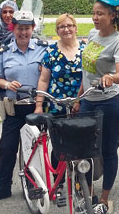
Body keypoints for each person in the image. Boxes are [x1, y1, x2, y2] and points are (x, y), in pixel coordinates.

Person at [76, 0, 119, 214]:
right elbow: (86, 72)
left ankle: (105, 197)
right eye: (94, 12)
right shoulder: (91, 35)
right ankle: (88, 193)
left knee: (107, 149)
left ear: (112, 16)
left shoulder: (118, 41)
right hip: (88, 100)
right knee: (85, 148)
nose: (95, 17)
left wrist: (111, 77)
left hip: (110, 102)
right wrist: (79, 97)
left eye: (100, 14)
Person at [0, 10, 48, 203]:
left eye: (27, 28)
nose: (23, 33)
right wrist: (6, 84)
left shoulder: (42, 48)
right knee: (7, 148)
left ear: (33, 29)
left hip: (36, 106)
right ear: (13, 29)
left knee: (35, 149)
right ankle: (3, 187)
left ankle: (33, 185)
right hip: (13, 107)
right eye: (19, 28)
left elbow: (50, 74)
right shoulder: (4, 52)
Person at [34, 13, 85, 194]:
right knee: (59, 146)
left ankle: (81, 184)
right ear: (57, 31)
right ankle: (58, 183)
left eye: (69, 25)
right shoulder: (51, 52)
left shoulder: (85, 49)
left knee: (81, 146)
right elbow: (43, 80)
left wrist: (80, 100)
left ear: (76, 28)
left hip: (81, 105)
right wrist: (39, 104)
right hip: (57, 106)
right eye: (62, 27)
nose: (66, 29)